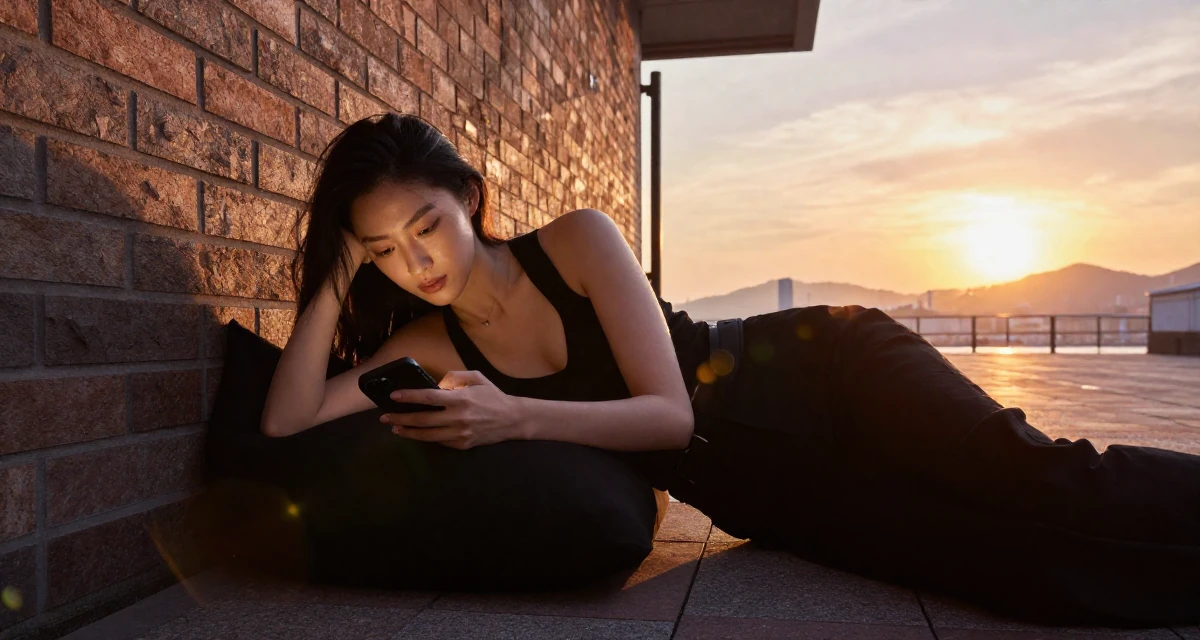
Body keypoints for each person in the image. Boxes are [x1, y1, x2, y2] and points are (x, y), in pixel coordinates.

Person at [261, 113, 1200, 628]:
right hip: (767, 492)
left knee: (1033, 475)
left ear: (468, 199)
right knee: (989, 562)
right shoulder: (427, 343)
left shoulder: (578, 241)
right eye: (385, 251)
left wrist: (516, 418)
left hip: (830, 369)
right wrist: (335, 277)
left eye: (425, 226)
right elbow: (288, 420)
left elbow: (668, 412)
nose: (416, 260)